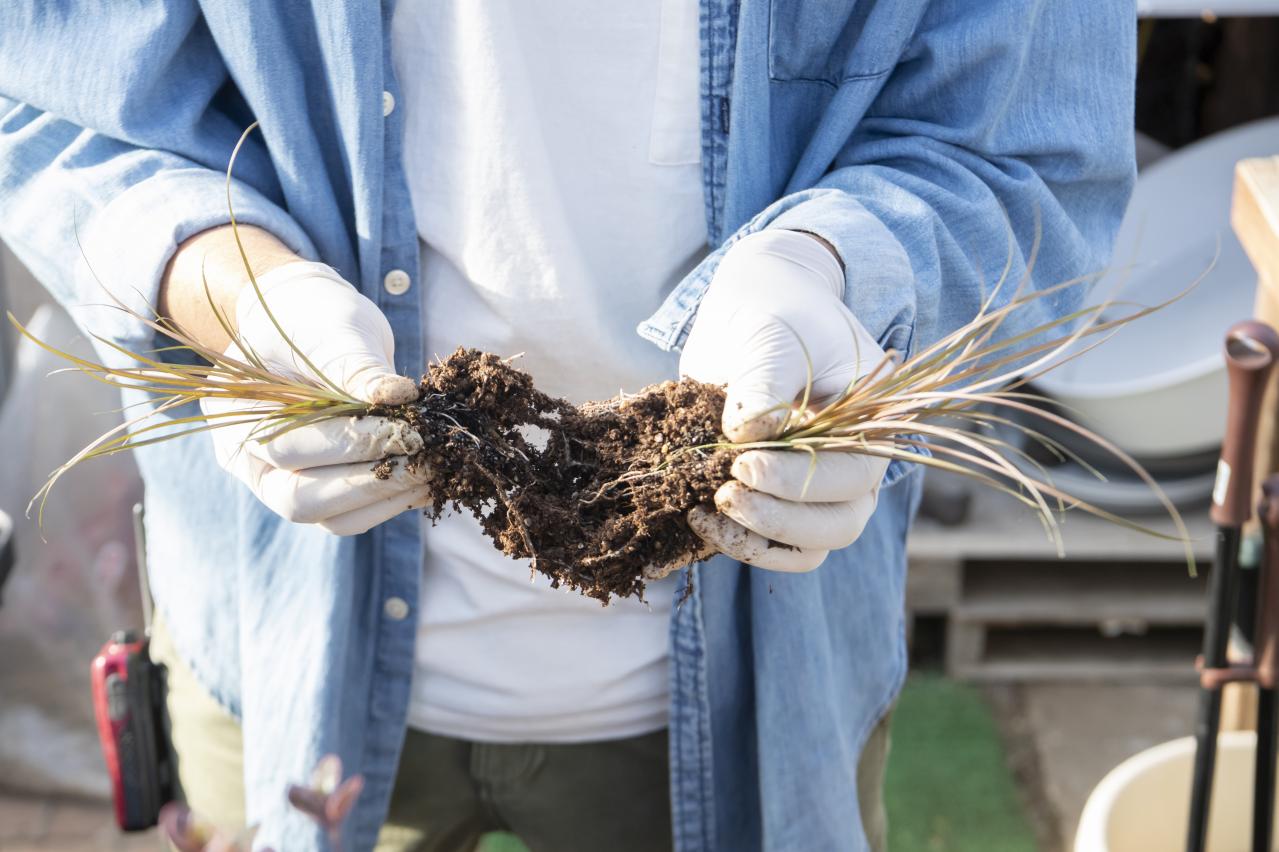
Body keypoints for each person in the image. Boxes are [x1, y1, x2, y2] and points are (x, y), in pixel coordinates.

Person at [0, 2, 1136, 850]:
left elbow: (1028, 153)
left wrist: (827, 273)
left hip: (766, 674)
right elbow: (53, 107)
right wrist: (233, 296)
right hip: (285, 635)